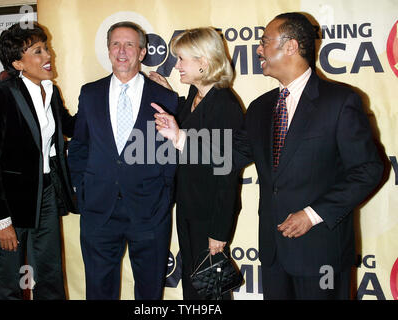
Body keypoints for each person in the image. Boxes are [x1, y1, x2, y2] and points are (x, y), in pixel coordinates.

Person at [154, 13, 384, 300]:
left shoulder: (339, 101)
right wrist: (179, 138)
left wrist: (313, 215)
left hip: (321, 252)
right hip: (274, 254)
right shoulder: (261, 108)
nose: (258, 50)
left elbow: (368, 170)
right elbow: (230, 155)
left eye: (264, 42)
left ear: (290, 46)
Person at [67, 21, 178, 300]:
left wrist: (163, 194)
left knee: (150, 293)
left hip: (149, 211)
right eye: (116, 44)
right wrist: (82, 187)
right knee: (99, 291)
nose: (122, 51)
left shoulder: (165, 98)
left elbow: (172, 153)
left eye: (130, 44)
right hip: (98, 210)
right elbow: (80, 144)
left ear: (142, 53)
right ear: (108, 50)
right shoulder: (90, 93)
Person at [0, 22, 77, 300]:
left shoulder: (51, 91)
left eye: (46, 48)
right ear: (18, 63)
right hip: (8, 201)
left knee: (51, 277)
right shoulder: (0, 95)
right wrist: (1, 222)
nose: (48, 56)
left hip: (45, 195)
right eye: (38, 51)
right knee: (11, 285)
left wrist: (104, 98)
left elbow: (73, 127)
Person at [150, 27, 243, 300]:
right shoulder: (196, 95)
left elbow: (227, 175)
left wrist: (219, 232)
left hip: (210, 217)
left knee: (210, 293)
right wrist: (169, 94)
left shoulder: (225, 105)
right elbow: (193, 125)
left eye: (182, 59)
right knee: (194, 290)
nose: (176, 65)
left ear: (203, 62)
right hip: (189, 208)